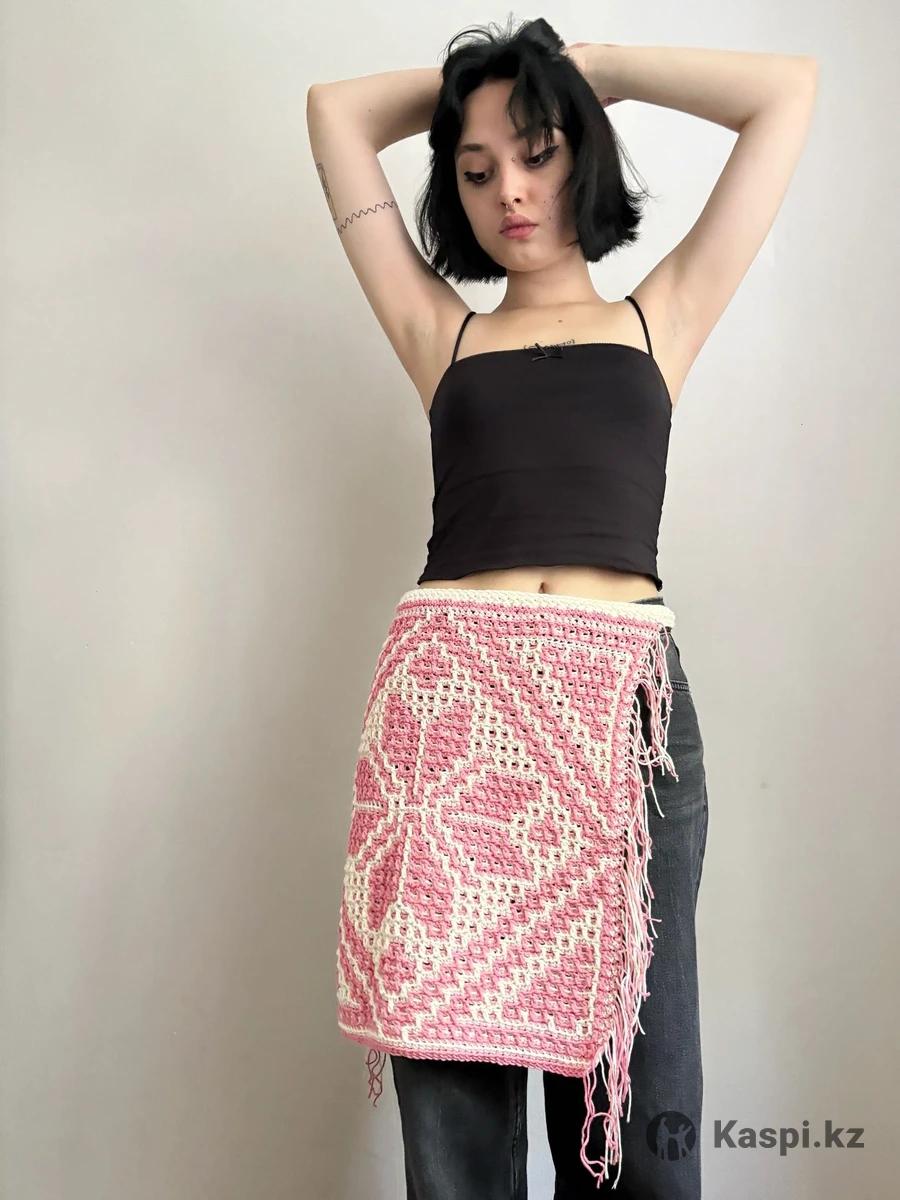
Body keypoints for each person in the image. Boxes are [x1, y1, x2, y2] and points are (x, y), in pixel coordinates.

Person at [307, 17, 818, 1198]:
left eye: (536, 152)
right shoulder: (440, 332)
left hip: (620, 717)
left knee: (637, 1085)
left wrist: (593, 73)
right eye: (475, 169)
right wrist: (485, 91)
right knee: (452, 1093)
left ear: (581, 151)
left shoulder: (659, 317)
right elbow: (335, 112)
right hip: (452, 734)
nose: (510, 190)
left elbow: (785, 93)